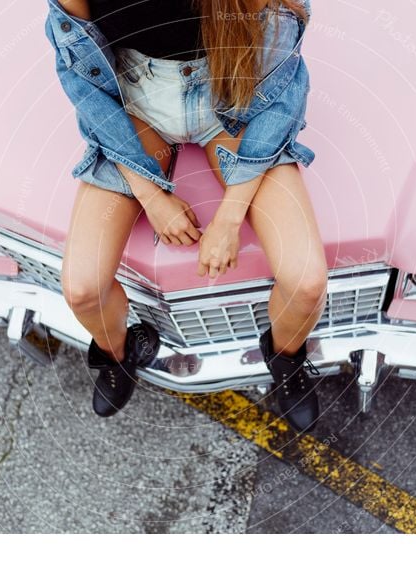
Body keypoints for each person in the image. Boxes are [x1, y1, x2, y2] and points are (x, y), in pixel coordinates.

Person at [44, 0, 328, 433]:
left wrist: (230, 217)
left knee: (307, 284)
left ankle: (286, 357)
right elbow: (81, 79)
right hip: (136, 102)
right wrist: (151, 196)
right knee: (82, 289)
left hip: (232, 94)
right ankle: (120, 352)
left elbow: (285, 88)